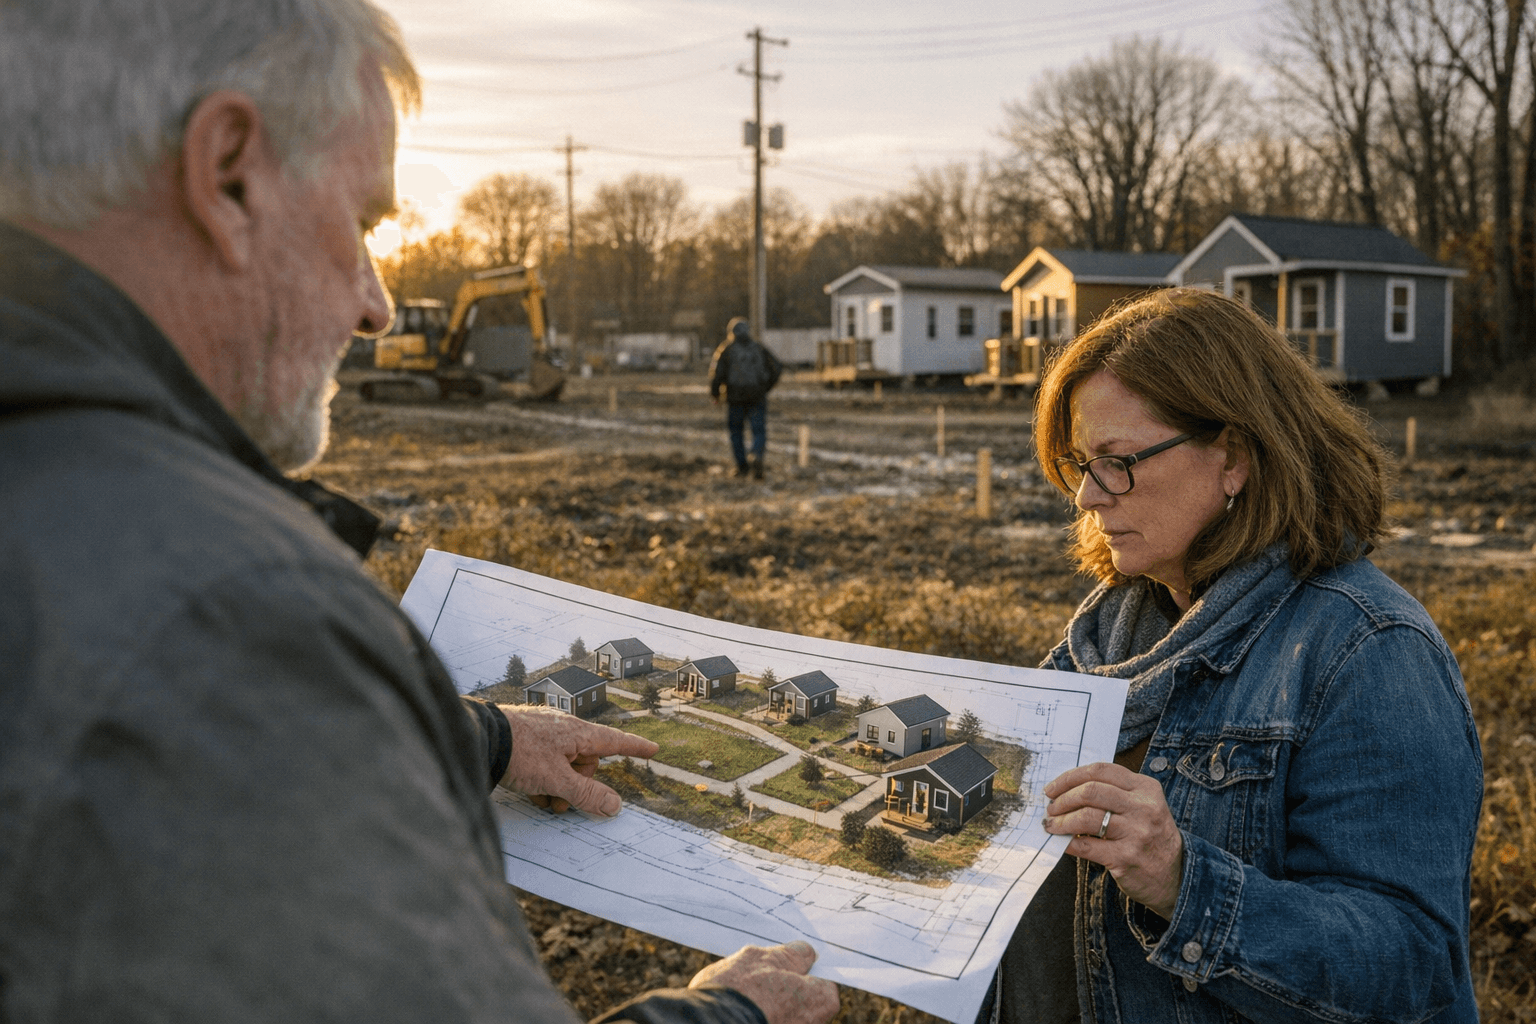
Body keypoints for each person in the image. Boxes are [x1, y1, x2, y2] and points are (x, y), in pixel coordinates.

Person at [0, 4, 839, 1023]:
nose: (377, 304)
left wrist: (474, 737)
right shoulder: (227, 609)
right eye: (363, 223)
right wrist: (728, 1016)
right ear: (228, 173)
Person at [985, 289, 1481, 1024]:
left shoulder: (1366, 652)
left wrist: (1183, 881)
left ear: (1235, 458)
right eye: (1079, 464)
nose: (1088, 494)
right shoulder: (1102, 645)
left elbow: (1411, 966)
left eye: (1118, 462)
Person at [709, 317, 783, 479]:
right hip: (757, 395)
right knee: (759, 430)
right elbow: (777, 367)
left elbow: (717, 375)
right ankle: (756, 454)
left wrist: (716, 395)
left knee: (736, 432)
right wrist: (766, 387)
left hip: (735, 397)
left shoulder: (726, 350)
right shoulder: (758, 348)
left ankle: (742, 467)